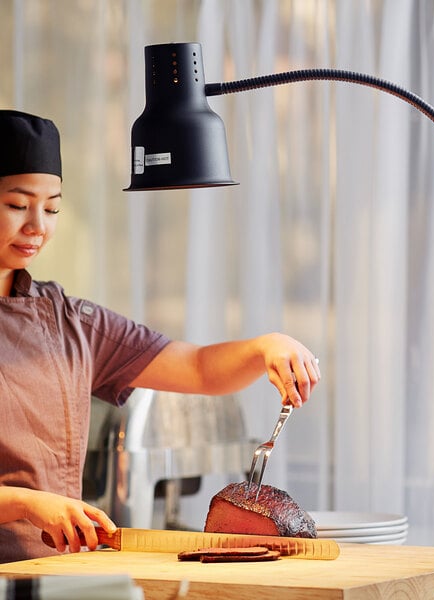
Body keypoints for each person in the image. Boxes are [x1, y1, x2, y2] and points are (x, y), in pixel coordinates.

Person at [0, 110, 321, 563]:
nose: (38, 225)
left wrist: (264, 347)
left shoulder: (68, 321)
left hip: (56, 574)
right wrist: (25, 502)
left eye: (51, 207)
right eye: (17, 205)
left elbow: (197, 368)